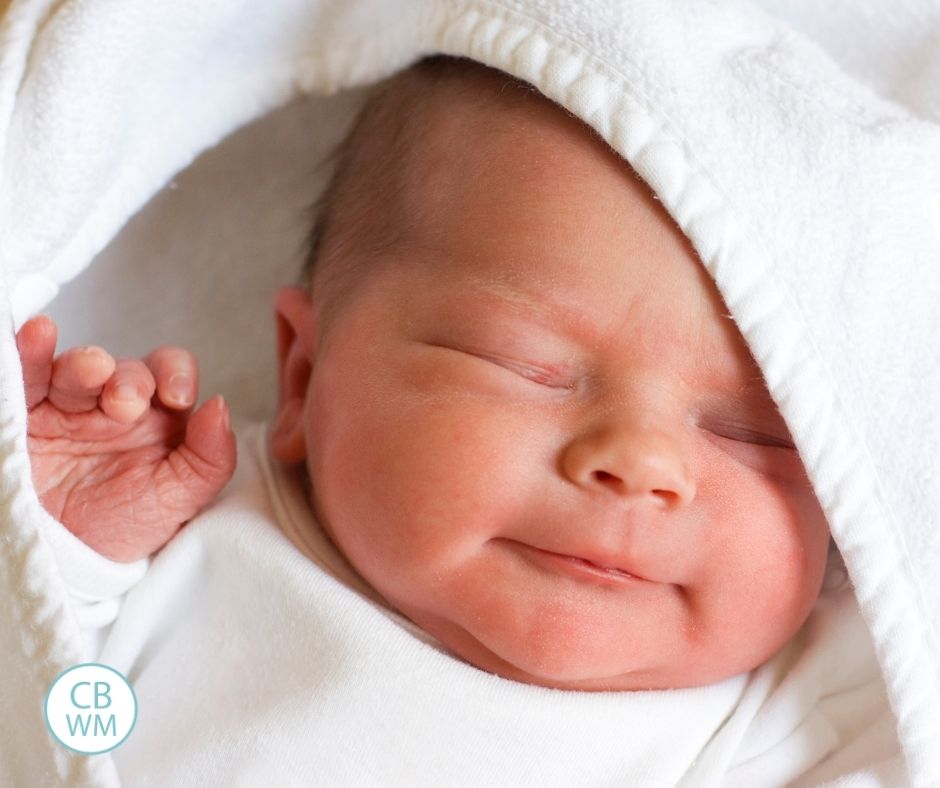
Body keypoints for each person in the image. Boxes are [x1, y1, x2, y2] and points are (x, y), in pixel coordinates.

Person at [16, 56, 868, 783]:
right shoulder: (194, 537)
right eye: (520, 365)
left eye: (757, 432)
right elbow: (52, 723)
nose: (639, 462)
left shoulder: (796, 711)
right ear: (306, 379)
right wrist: (56, 550)